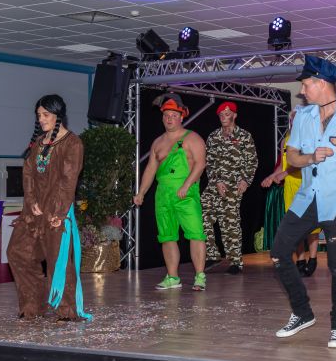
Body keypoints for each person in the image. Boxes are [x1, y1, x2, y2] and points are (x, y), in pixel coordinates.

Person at [270, 56, 336, 349]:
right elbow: (292, 157)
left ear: (321, 83)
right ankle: (302, 312)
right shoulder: (302, 117)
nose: (302, 91)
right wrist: (310, 157)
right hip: (306, 199)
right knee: (279, 252)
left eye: (306, 85)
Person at [7, 94, 91, 322]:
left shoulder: (72, 143)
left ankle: (67, 310)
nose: (41, 119)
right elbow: (27, 174)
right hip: (34, 211)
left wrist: (59, 212)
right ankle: (33, 305)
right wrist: (31, 201)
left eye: (46, 115)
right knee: (17, 252)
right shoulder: (38, 143)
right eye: (39, 115)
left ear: (58, 115)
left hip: (56, 210)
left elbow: (68, 180)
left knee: (58, 260)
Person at [133, 93, 208, 291]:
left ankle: (200, 276)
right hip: (163, 194)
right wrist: (141, 192)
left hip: (186, 193)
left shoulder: (192, 138)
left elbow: (200, 164)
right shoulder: (157, 143)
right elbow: (150, 169)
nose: (169, 118)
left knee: (196, 234)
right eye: (166, 115)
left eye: (174, 115)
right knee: (167, 237)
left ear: (181, 117)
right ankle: (173, 277)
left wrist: (186, 185)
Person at [261, 108, 320, 277]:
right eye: (292, 119)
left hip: (307, 184)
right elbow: (283, 165)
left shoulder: (308, 139)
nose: (294, 121)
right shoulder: (286, 140)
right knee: (295, 225)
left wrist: (284, 173)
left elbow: (305, 163)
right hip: (290, 187)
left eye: (298, 118)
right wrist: (271, 177)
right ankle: (300, 260)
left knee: (312, 227)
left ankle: (313, 259)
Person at [202, 101, 258, 275]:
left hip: (234, 186)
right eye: (221, 115)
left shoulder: (244, 136)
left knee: (230, 223)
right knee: (201, 216)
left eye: (227, 114)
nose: (223, 117)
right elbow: (209, 162)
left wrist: (245, 180)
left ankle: (235, 262)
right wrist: (216, 180)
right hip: (214, 184)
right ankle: (212, 255)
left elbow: (252, 161)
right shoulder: (213, 136)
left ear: (234, 115)